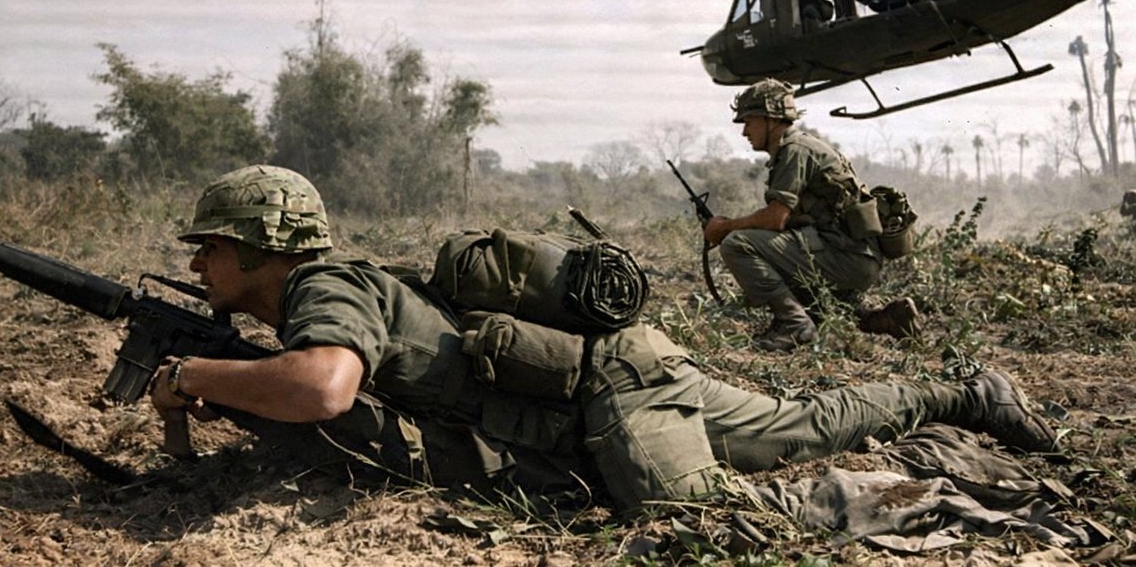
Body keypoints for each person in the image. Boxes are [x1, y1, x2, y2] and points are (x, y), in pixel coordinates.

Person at [150, 164, 1057, 515]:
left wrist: (195, 373)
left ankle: (924, 484)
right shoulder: (323, 295)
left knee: (696, 516)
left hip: (614, 395)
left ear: (256, 246)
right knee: (799, 425)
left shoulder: (323, 288)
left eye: (210, 248)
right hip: (614, 376)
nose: (197, 265)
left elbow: (321, 389)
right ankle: (962, 391)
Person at [703, 79, 917, 351]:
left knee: (738, 244)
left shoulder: (794, 150)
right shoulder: (802, 147)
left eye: (749, 121)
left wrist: (724, 228)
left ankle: (794, 325)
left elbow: (775, 219)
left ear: (771, 118)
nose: (744, 131)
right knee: (779, 257)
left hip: (844, 256)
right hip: (854, 257)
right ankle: (884, 319)